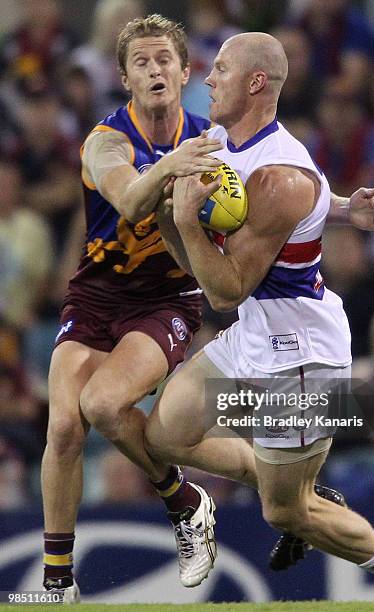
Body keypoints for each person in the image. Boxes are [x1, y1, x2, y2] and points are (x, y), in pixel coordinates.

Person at [144, 32, 374, 602]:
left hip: (299, 357)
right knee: (163, 434)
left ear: (256, 82)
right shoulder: (221, 143)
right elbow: (298, 204)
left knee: (286, 511)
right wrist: (341, 209)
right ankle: (302, 488)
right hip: (257, 334)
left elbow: (226, 292)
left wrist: (184, 221)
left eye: (222, 69)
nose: (207, 79)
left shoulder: (281, 176)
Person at [40, 14, 225, 602]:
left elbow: (281, 185)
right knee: (65, 426)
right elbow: (130, 202)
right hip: (98, 291)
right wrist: (172, 165)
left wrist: (345, 208)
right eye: (141, 62)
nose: (154, 70)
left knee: (101, 403)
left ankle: (182, 499)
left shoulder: (213, 139)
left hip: (168, 297)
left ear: (185, 70)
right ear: (124, 77)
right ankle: (58, 582)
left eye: (163, 59)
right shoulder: (106, 141)